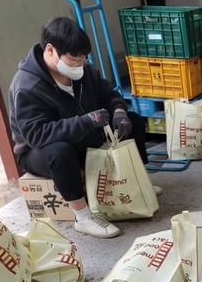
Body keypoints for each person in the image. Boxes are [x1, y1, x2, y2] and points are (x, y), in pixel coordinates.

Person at [9, 17, 161, 239]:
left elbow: (108, 95)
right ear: (50, 50)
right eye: (73, 60)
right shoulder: (28, 86)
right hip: (39, 152)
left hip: (84, 137)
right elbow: (36, 134)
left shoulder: (84, 71)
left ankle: (137, 182)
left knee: (134, 121)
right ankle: (83, 217)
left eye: (83, 59)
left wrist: (119, 111)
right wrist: (85, 122)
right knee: (59, 151)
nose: (79, 65)